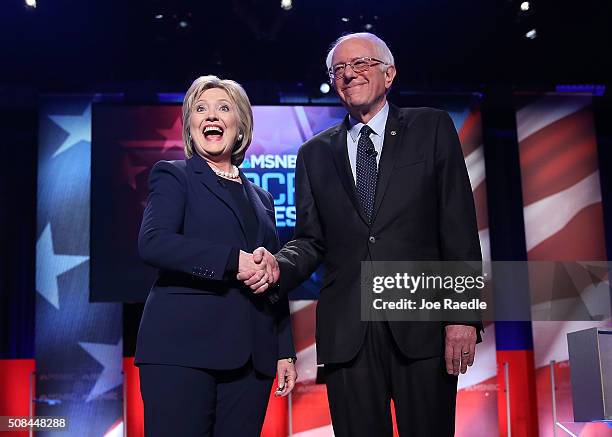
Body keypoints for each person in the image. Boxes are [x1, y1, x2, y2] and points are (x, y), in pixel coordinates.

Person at [240, 33, 482, 436]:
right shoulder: (313, 154)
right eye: (339, 69)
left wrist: (462, 317)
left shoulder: (431, 127)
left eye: (361, 64)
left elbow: (457, 224)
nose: (348, 74)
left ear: (389, 74)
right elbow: (310, 240)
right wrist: (277, 266)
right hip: (347, 334)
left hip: (421, 326)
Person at [135, 75, 296, 437]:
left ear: (240, 126)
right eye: (201, 109)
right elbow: (154, 242)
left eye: (224, 108)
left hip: (253, 358)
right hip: (181, 350)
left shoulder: (263, 198)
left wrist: (284, 349)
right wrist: (230, 260)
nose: (212, 116)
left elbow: (271, 275)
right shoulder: (174, 176)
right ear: (190, 126)